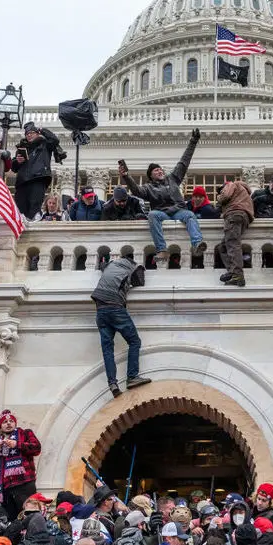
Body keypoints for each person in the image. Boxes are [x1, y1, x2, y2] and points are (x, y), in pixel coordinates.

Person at [119, 129, 205, 264]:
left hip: (179, 211)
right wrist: (126, 176)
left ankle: (197, 243)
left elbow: (184, 162)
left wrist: (193, 142)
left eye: (160, 169)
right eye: (155, 170)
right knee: (152, 215)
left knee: (190, 215)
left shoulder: (173, 178)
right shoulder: (148, 188)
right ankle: (161, 249)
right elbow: (136, 191)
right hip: (162, 213)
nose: (159, 171)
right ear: (151, 175)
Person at [91, 255, 151, 398]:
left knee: (107, 349)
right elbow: (140, 282)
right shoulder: (134, 267)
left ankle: (112, 383)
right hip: (115, 307)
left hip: (100, 309)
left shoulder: (111, 265)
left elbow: (102, 267)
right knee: (134, 341)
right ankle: (132, 377)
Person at [0, 410, 43, 521]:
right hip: (6, 488)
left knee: (29, 516)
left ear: (15, 423)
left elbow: (37, 448)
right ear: (0, 427)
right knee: (11, 520)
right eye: (5, 422)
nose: (8, 423)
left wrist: (17, 444)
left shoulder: (25, 433)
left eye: (11, 421)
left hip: (24, 483)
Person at [12, 122, 66, 220]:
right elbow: (13, 168)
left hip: (38, 178)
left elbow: (54, 140)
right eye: (27, 133)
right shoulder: (22, 147)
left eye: (32, 132)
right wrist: (17, 161)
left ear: (37, 133)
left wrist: (42, 129)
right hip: (22, 182)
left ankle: (33, 224)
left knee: (34, 206)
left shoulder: (45, 144)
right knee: (21, 208)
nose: (29, 135)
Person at [217, 180, 254, 287]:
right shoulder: (244, 191)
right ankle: (233, 272)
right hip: (243, 217)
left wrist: (219, 198)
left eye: (221, 190)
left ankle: (237, 275)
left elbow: (226, 196)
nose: (221, 192)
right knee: (223, 246)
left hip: (234, 214)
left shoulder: (232, 185)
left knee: (233, 244)